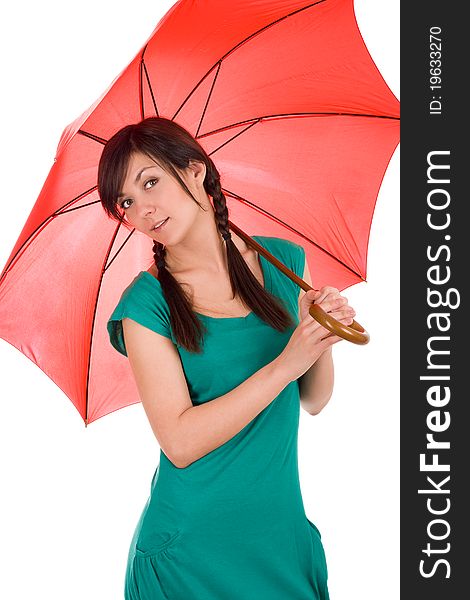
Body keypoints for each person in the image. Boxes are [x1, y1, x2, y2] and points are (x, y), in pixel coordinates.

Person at [100, 116, 356, 600]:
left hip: (279, 542)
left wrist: (317, 333)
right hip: (189, 556)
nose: (142, 209)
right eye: (126, 201)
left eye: (150, 181)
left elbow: (315, 399)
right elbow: (179, 440)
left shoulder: (283, 262)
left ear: (195, 170)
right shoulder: (145, 305)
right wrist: (286, 362)